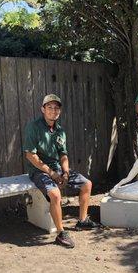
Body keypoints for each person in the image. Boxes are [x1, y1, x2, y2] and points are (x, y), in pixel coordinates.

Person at [23, 94, 99, 248]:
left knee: (87, 184)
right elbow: (30, 155)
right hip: (39, 170)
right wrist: (52, 174)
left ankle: (82, 221)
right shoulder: (33, 127)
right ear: (42, 109)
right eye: (49, 107)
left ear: (60, 111)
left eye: (56, 107)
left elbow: (63, 154)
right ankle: (60, 233)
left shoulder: (60, 130)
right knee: (55, 194)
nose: (53, 110)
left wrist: (65, 173)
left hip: (57, 168)